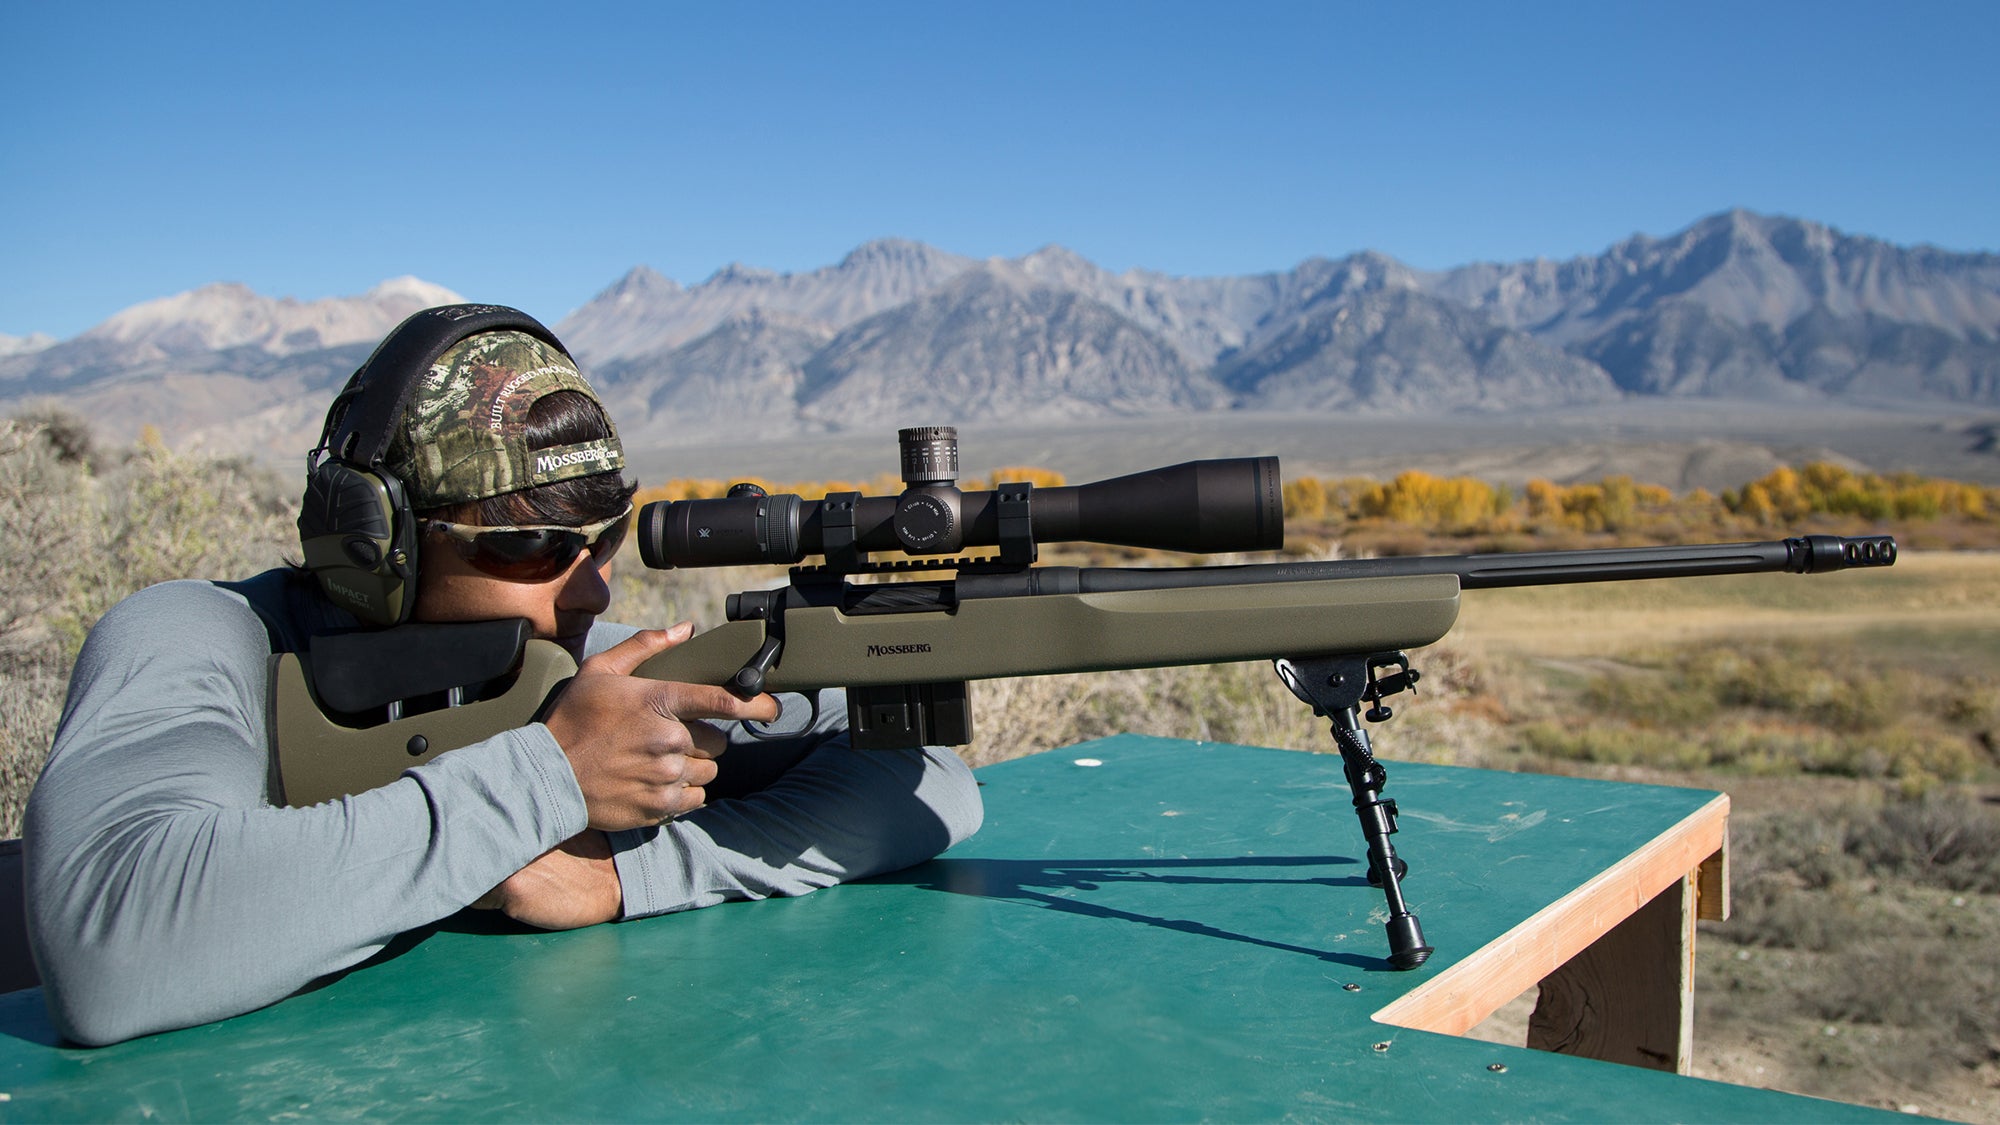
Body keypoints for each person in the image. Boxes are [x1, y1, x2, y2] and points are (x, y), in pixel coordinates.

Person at [22, 305, 984, 1046]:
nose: (590, 589)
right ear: (375, 544)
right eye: (532, 548)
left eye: (604, 542)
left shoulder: (574, 668)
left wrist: (626, 873)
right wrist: (549, 777)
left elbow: (928, 780)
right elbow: (111, 947)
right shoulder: (196, 635)